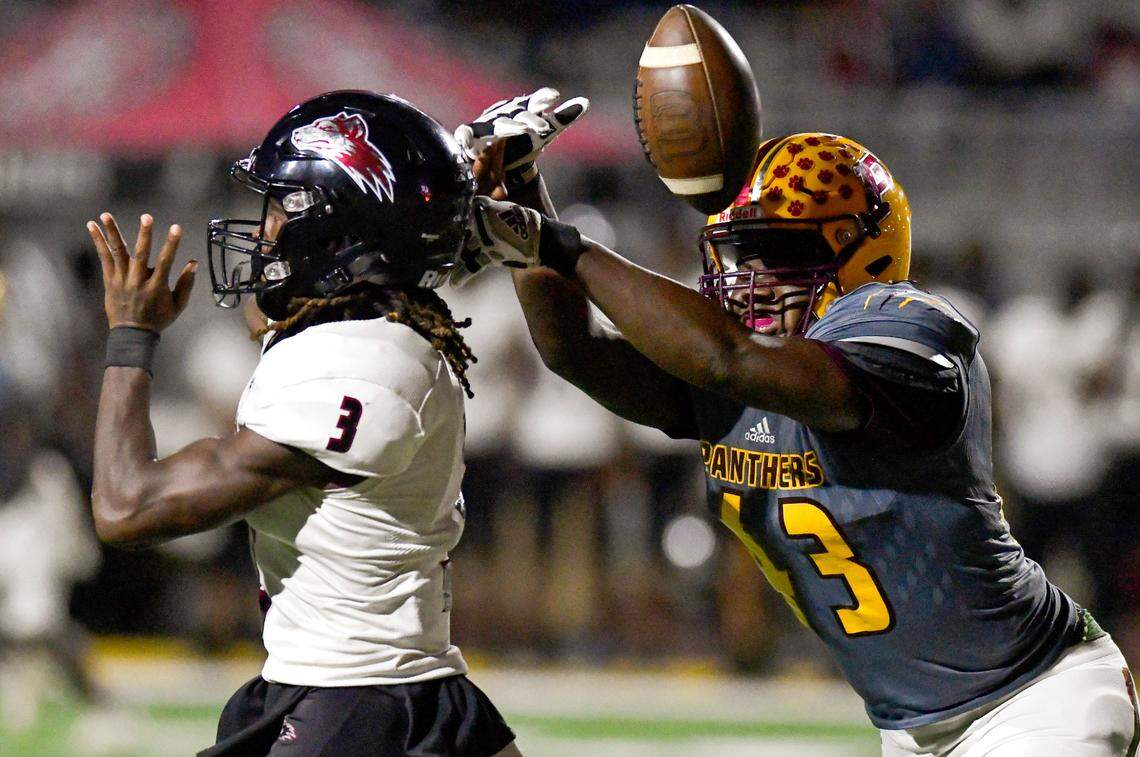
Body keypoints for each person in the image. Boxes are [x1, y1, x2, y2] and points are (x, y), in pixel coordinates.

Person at [453, 94, 1140, 755]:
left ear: (858, 252)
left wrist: (560, 245)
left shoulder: (908, 332)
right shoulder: (752, 371)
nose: (749, 276)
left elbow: (730, 359)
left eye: (775, 253)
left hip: (1033, 696)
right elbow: (577, 351)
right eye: (739, 255)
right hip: (909, 727)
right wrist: (524, 202)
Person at [88, 90, 521, 756]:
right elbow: (280, 312)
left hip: (350, 707)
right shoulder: (388, 326)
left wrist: (129, 336)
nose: (265, 232)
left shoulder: (352, 366)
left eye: (283, 208)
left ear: (340, 231)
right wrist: (445, 198)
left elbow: (126, 507)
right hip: (417, 692)